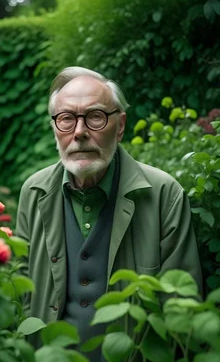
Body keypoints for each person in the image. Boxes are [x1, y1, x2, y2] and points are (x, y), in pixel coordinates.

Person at [16, 66, 202, 359]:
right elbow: (22, 292)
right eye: (66, 119)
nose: (79, 132)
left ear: (121, 126)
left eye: (95, 117)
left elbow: (181, 310)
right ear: (55, 127)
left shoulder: (163, 194)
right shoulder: (33, 192)